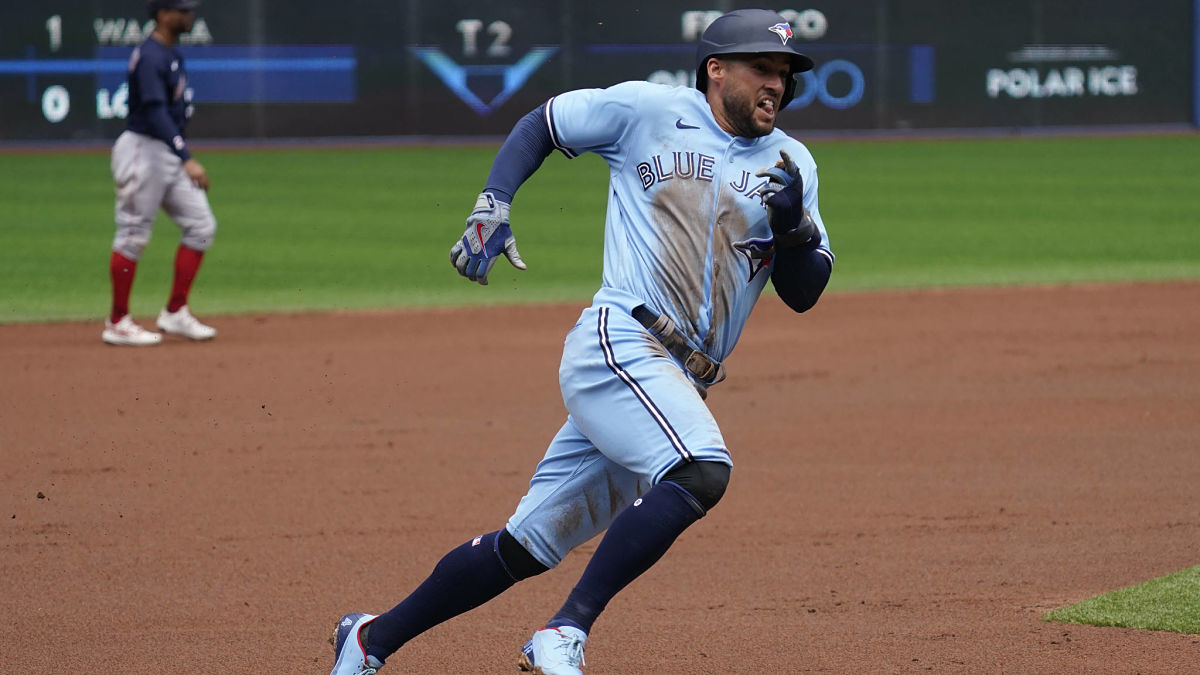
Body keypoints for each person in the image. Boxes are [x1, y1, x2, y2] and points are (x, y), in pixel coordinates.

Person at [330, 9, 833, 674]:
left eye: (786, 74)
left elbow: (803, 291)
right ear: (716, 69)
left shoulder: (793, 163)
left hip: (682, 379)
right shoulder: (647, 110)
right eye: (762, 68)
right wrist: (495, 203)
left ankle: (370, 638)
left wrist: (795, 227)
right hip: (621, 339)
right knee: (701, 468)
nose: (778, 83)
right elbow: (544, 123)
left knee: (525, 545)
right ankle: (564, 630)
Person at [102, 0, 217, 346]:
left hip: (164, 151)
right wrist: (186, 156)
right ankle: (118, 321)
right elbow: (154, 112)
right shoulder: (151, 56)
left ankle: (175, 312)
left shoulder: (170, 53)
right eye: (183, 10)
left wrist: (178, 153)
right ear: (163, 15)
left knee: (201, 227)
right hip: (143, 150)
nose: (190, 15)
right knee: (133, 236)